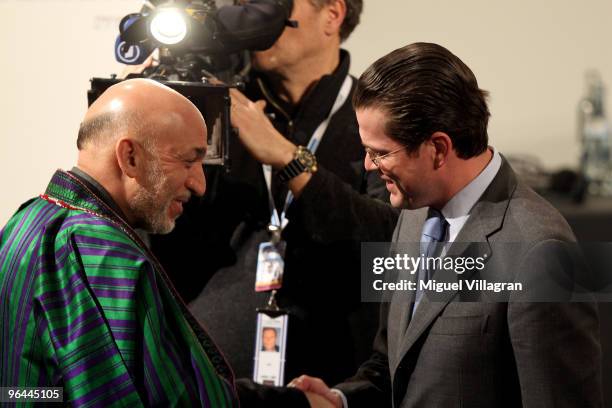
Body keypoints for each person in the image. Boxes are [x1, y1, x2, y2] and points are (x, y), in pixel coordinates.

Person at [290, 42, 604, 407]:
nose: (368, 167)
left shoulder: (542, 251)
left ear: (438, 148)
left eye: (380, 152)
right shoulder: (409, 215)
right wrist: (339, 400)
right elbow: (391, 365)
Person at [150, 0, 399, 397]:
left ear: (332, 15)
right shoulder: (217, 108)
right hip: (209, 382)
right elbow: (156, 229)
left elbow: (391, 241)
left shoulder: (376, 119)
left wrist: (287, 158)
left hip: (330, 381)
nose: (253, 22)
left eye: (271, 5)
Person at [0, 79, 238, 406]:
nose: (199, 184)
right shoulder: (102, 253)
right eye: (187, 161)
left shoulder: (26, 219)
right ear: (130, 157)